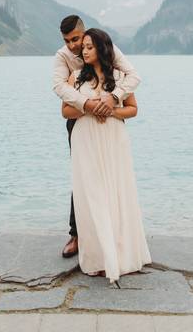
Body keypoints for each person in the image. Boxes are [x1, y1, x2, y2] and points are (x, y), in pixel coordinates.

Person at [61, 27, 151, 284]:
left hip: (113, 139)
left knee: (116, 193)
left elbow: (133, 110)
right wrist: (88, 107)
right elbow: (65, 112)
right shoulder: (76, 77)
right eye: (83, 47)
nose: (84, 51)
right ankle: (98, 258)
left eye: (89, 47)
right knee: (91, 196)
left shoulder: (121, 77)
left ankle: (122, 254)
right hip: (85, 140)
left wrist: (110, 110)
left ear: (101, 49)